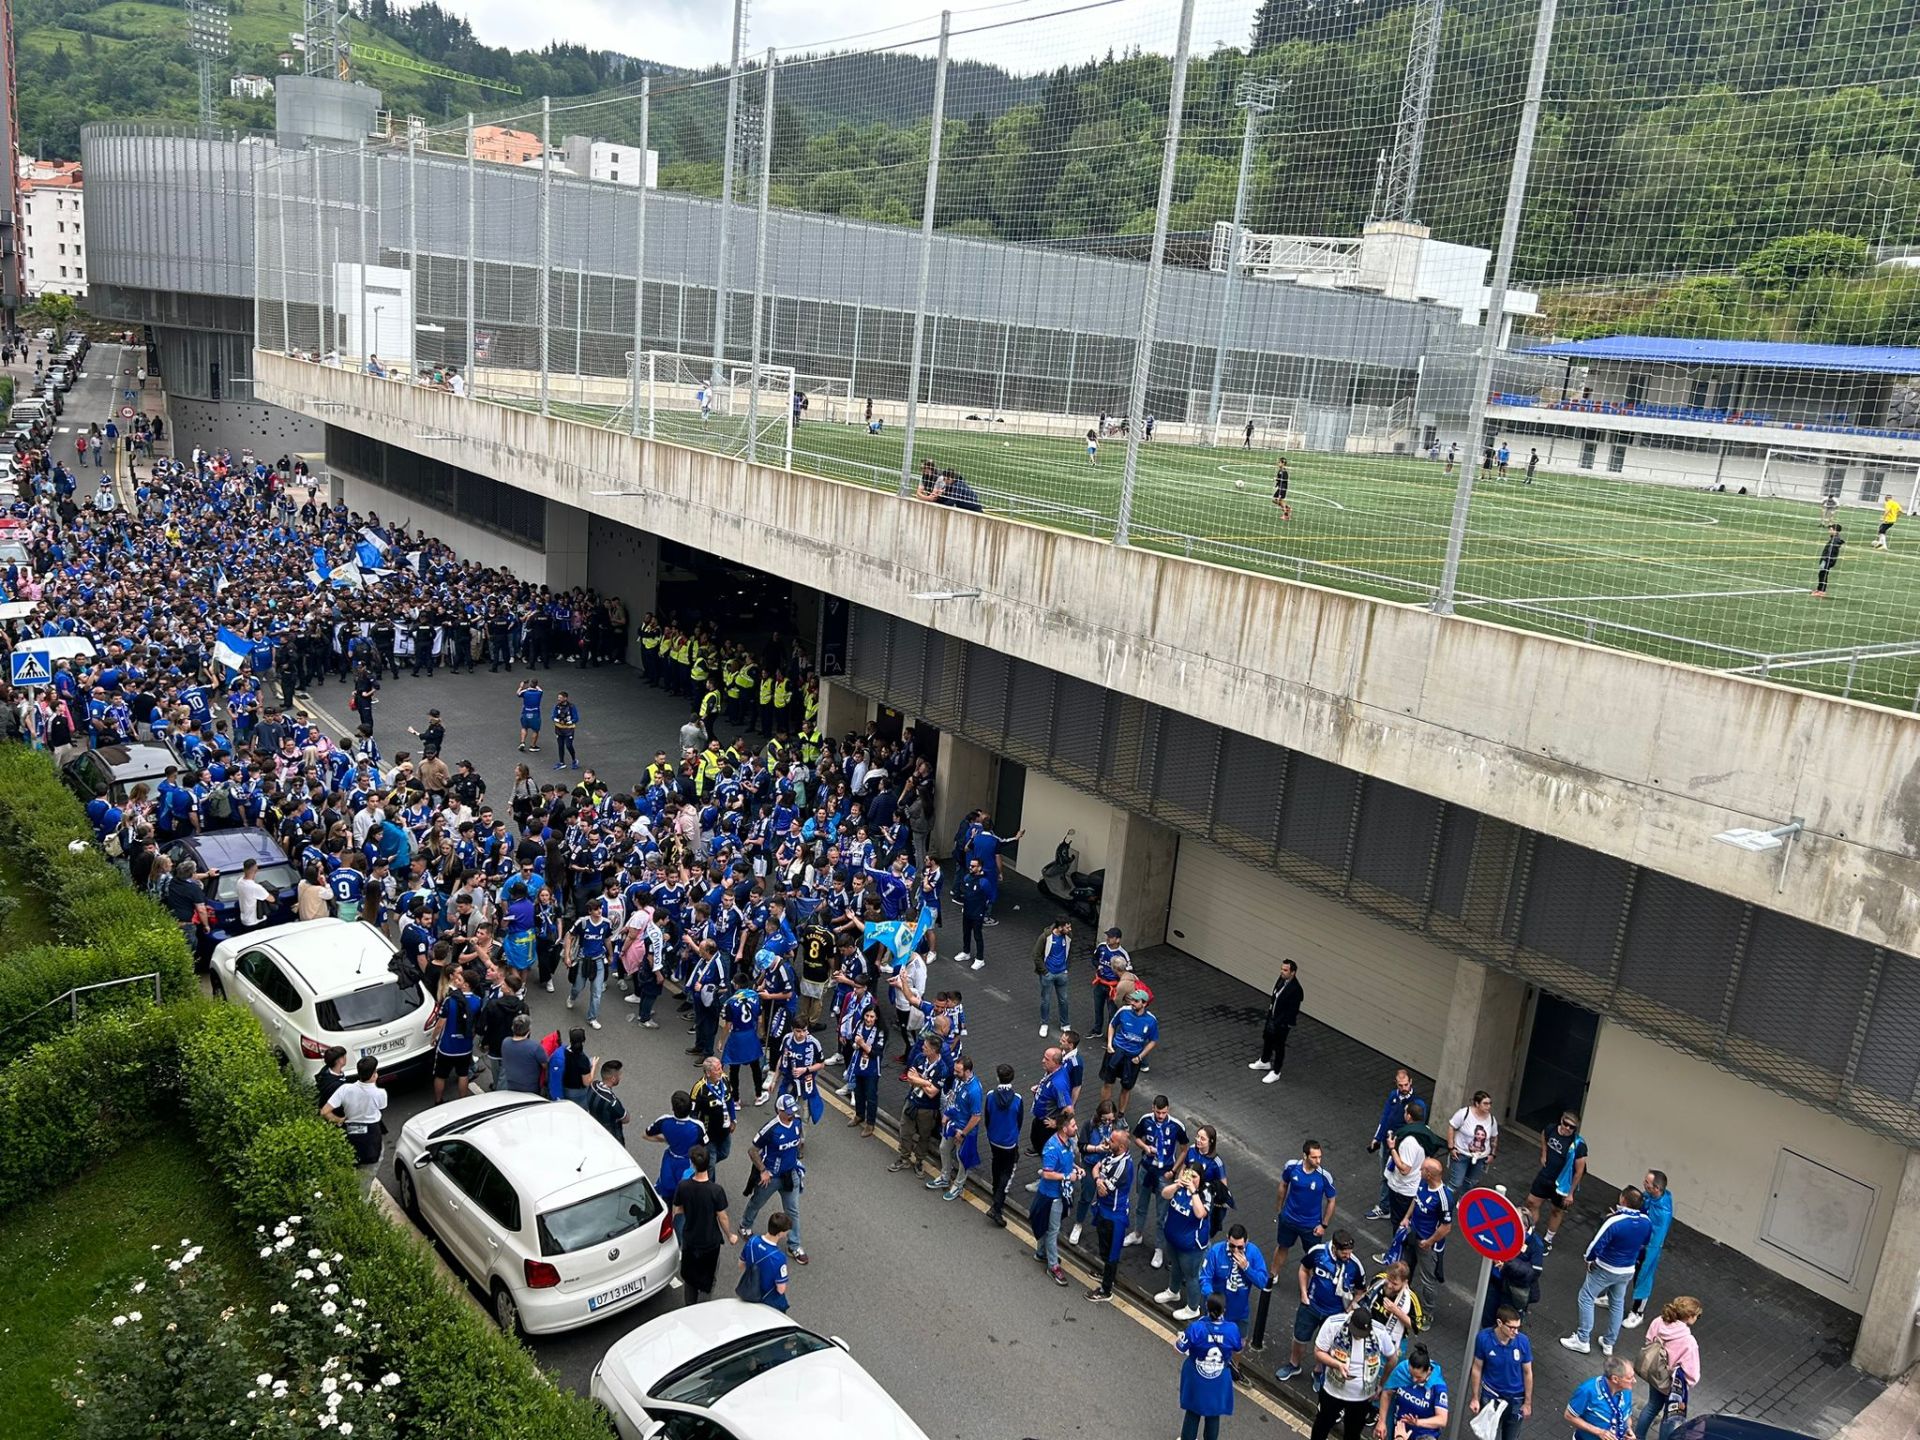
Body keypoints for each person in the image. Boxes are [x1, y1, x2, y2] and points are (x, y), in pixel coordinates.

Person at [1562, 1185, 1653, 1357]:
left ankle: (1582, 1339)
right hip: (1627, 1270)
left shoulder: (1614, 1221)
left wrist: (1589, 1259)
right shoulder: (1646, 1221)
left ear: (1623, 1200)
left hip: (1605, 1267)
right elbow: (1644, 1243)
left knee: (1586, 1297)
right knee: (1617, 1303)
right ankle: (1609, 1343)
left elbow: (1595, 1245)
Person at [1310, 1289, 1400, 1440]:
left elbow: (1392, 1358)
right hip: (1333, 1391)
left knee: (1353, 1433)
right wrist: (1337, 1364)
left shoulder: (1379, 1332)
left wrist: (1381, 1385)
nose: (1358, 1337)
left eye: (1362, 1334)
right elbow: (1318, 1352)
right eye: (1356, 1333)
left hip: (1362, 1397)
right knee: (1322, 1426)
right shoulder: (1334, 1324)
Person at [1276, 1228, 1361, 1383]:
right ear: (1335, 1248)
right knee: (1300, 1338)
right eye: (1344, 1253)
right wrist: (1303, 1293)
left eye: (1350, 1252)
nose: (1348, 1256)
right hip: (1311, 1306)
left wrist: (1351, 1306)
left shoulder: (1355, 1265)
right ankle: (1294, 1365)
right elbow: (1303, 1269)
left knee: (1327, 1346)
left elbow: (1362, 1290)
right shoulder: (1318, 1252)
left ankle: (1318, 1371)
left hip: (1335, 1314)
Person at [738, 1093, 808, 1265]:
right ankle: (745, 1226)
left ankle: (794, 1245)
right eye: (788, 1111)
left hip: (790, 1175)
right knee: (757, 1202)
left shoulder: (797, 1122)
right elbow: (752, 1150)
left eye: (793, 1110)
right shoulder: (770, 1128)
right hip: (771, 1176)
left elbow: (797, 1141)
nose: (792, 1114)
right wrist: (763, 1170)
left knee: (793, 1211)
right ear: (779, 1110)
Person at [674, 1144, 735, 1305]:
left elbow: (678, 1209)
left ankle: (689, 1307)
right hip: (710, 1243)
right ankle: (702, 1311)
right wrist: (730, 1235)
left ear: (692, 1164)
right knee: (707, 1281)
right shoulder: (716, 1191)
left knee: (689, 1278)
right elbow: (722, 1217)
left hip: (690, 1240)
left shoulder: (683, 1186)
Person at [1176, 1294, 1243, 1440]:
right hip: (1219, 1377)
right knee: (1213, 1415)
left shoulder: (1196, 1328)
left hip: (1196, 1376)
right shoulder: (1232, 1329)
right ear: (1224, 1310)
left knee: (1193, 1412)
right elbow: (1238, 1348)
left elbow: (1180, 1346)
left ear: (1207, 1307)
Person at [1633, 1296, 1701, 1440]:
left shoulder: (1659, 1321)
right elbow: (1692, 1374)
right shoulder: (1689, 1342)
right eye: (1697, 1315)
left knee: (1652, 1406)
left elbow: (1648, 1341)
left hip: (1655, 1374)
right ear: (1689, 1317)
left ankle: (1637, 1437)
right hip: (1672, 1385)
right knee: (1670, 1417)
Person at [1085, 1120, 1136, 1303]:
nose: (1108, 1142)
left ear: (1121, 1146)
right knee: (1104, 1247)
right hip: (1103, 1210)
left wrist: (1098, 1180)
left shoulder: (1124, 1166)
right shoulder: (1111, 1155)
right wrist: (1098, 1178)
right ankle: (1104, 1272)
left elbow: (1103, 1188)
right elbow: (1096, 1169)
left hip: (1114, 1217)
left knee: (1112, 1252)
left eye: (1112, 1141)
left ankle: (1106, 1290)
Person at [1028, 1109, 1078, 1287]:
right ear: (1064, 1128)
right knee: (1053, 1230)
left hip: (1061, 1193)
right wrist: (1067, 1177)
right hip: (1052, 1196)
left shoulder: (1068, 1142)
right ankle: (1053, 1266)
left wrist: (1075, 1168)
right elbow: (1047, 1174)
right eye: (1073, 1125)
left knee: (1048, 1226)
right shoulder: (1052, 1147)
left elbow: (1067, 1161)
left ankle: (1042, 1253)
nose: (1076, 1127)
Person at [1526, 1110, 1588, 1251]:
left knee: (1556, 1211)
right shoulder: (1551, 1129)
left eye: (1572, 1127)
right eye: (1566, 1124)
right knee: (1531, 1202)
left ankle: (1548, 1240)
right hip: (1545, 1176)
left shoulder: (1578, 1145)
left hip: (1562, 1184)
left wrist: (1570, 1193)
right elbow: (1544, 1135)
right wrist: (1544, 1153)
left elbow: (1579, 1172)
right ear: (1561, 1120)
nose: (1567, 1129)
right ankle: (1529, 1232)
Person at [1469, 1307, 1534, 1440]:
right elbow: (1477, 1368)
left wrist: (1527, 1403)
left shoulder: (1523, 1341)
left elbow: (1528, 1372)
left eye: (1518, 1327)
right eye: (1511, 1327)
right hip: (1491, 1396)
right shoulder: (1483, 1339)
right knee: (1487, 1436)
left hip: (1516, 1400)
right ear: (1499, 1323)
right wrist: (1475, 1398)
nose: (1515, 1332)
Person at [1275, 1138, 1338, 1268]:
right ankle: (1272, 1275)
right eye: (1314, 1157)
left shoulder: (1324, 1176)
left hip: (1311, 1227)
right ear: (1305, 1156)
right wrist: (1279, 1209)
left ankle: (1311, 1284)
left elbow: (1331, 1200)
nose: (1318, 1161)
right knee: (1282, 1247)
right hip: (1289, 1220)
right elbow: (1283, 1184)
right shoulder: (1292, 1167)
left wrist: (1323, 1225)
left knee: (1313, 1256)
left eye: (1320, 1157)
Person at [1623, 1171, 1673, 1329]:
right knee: (1625, 1268)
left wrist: (1644, 1250)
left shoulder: (1662, 1213)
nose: (1644, 1184)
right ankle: (1613, 1297)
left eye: (1647, 1183)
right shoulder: (1651, 1197)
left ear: (1656, 1188)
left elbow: (1656, 1237)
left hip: (1647, 1247)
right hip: (1638, 1241)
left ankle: (1638, 1312)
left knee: (1642, 1276)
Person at [1198, 1222, 1270, 1332]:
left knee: (1239, 1345)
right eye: (1232, 1246)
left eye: (1240, 1247)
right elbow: (1205, 1278)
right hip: (1215, 1312)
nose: (1235, 1251)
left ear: (1247, 1241)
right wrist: (1213, 1299)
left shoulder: (1253, 1253)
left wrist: (1247, 1268)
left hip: (1239, 1313)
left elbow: (1262, 1282)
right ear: (1227, 1238)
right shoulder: (1216, 1251)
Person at [426, 965, 482, 1105]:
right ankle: (462, 1102)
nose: (456, 981)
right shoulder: (477, 1001)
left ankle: (438, 1100)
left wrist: (433, 1038)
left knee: (440, 1075)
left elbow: (440, 1024)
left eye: (459, 979)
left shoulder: (450, 1001)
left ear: (466, 985)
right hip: (465, 1046)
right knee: (463, 1074)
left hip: (447, 1046)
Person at [931, 1052, 984, 1202]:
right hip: (953, 1123)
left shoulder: (974, 1090)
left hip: (965, 1130)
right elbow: (953, 1098)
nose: (954, 1073)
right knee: (943, 1148)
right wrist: (947, 1113)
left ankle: (959, 1184)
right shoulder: (958, 1080)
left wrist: (963, 1133)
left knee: (963, 1159)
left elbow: (976, 1117)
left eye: (957, 1071)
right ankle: (945, 1176)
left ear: (967, 1071)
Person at [1101, 986, 1159, 1116]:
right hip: (1116, 1051)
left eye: (1136, 1001)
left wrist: (1140, 1057)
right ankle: (1104, 1112)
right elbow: (1112, 1024)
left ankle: (1120, 1115)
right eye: (1132, 1000)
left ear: (1144, 1003)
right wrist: (1110, 1044)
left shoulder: (1151, 1020)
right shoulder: (1124, 1011)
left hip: (1133, 1057)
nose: (1132, 1003)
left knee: (1126, 1087)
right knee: (1107, 1082)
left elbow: (1153, 1040)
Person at [320, 1055, 388, 1164]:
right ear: (374, 1075)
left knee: (354, 1157)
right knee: (373, 1160)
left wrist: (338, 1120)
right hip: (372, 1130)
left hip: (351, 1128)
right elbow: (381, 1108)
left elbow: (324, 1111)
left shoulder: (345, 1089)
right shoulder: (380, 1094)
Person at [644, 1091, 708, 1205]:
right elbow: (703, 1146)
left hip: (670, 1159)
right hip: (687, 1162)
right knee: (684, 1193)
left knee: (665, 1190)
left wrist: (666, 1139)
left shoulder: (664, 1121)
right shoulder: (697, 1126)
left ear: (673, 1108)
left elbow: (647, 1134)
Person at [983, 1062, 1025, 1226]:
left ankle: (995, 1191)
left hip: (994, 1138)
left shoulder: (990, 1095)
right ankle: (997, 1206)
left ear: (997, 1077)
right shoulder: (1017, 1099)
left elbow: (987, 1117)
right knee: (1007, 1173)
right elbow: (1019, 1121)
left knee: (996, 1163)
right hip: (1009, 1142)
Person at [1250, 959, 1302, 1082]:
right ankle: (1264, 1061)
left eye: (1285, 970)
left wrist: (1283, 1024)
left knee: (1279, 1046)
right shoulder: (1281, 980)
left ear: (1293, 972)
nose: (1282, 972)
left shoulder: (1296, 990)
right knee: (1267, 1038)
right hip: (1272, 1018)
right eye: (1282, 969)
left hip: (1282, 1023)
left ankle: (1276, 1071)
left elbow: (1292, 1011)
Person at [1564, 1356, 1638, 1440]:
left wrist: (1628, 1429)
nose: (1634, 1381)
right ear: (1615, 1379)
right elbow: (1569, 1416)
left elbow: (1627, 1415)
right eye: (1630, 1378)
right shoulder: (1587, 1391)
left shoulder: (1626, 1390)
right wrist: (1599, 1432)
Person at [738, 1211, 793, 1310]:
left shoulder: (752, 1241)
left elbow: (741, 1264)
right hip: (767, 1298)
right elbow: (781, 1289)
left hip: (750, 1289)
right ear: (780, 1233)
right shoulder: (779, 1258)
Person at [1447, 1091, 1499, 1192]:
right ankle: (1443, 1202)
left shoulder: (1491, 1119)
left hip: (1480, 1157)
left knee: (1470, 1182)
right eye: (1485, 1103)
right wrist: (1451, 1147)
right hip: (1461, 1154)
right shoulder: (1464, 1113)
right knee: (1456, 1182)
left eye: (1490, 1103)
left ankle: (1463, 1202)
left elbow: (1494, 1137)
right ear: (1477, 1104)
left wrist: (1492, 1154)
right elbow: (1451, 1127)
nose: (1488, 1107)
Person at [1035, 917, 1072, 1038]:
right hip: (1048, 974)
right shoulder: (1045, 937)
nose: (1070, 929)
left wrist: (1066, 968)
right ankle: (1044, 1023)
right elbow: (1036, 955)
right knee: (1046, 1000)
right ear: (1060, 927)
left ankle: (1065, 1024)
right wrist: (1044, 971)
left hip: (1062, 973)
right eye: (1067, 927)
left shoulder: (1068, 937)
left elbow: (1069, 952)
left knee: (1064, 1000)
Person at [585, 1059, 630, 1144]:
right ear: (613, 1079)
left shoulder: (593, 1085)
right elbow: (626, 1119)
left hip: (593, 1127)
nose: (620, 1077)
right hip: (610, 1135)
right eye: (619, 1075)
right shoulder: (612, 1102)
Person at [498, 1013, 546, 1093]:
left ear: (512, 1028)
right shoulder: (535, 1047)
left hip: (511, 1083)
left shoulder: (505, 1042)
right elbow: (545, 1065)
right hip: (530, 1087)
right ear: (529, 1030)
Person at [234, 857, 274, 932]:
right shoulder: (255, 887)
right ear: (256, 869)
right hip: (256, 921)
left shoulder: (239, 881)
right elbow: (271, 899)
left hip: (244, 919)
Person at [1812, 523, 1844, 596]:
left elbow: (1831, 551)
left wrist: (1826, 559)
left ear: (1835, 531)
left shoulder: (1835, 539)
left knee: (1823, 574)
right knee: (1822, 574)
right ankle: (1819, 589)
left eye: (1831, 529)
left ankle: (1822, 591)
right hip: (1826, 559)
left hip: (1827, 560)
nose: (1829, 530)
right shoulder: (1834, 538)